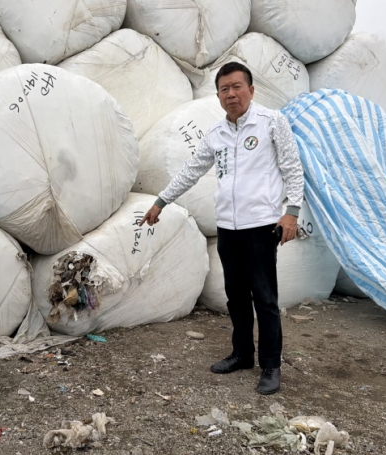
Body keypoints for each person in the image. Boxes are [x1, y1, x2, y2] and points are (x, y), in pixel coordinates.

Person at [140, 62, 304, 395]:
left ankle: (271, 365)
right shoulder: (217, 134)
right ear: (217, 95)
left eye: (236, 87)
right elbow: (190, 171)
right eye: (224, 89)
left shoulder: (272, 123)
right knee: (236, 298)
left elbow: (293, 168)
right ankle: (242, 354)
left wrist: (293, 212)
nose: (231, 94)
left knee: (266, 300)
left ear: (251, 90)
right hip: (228, 229)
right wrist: (161, 201)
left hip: (261, 228)